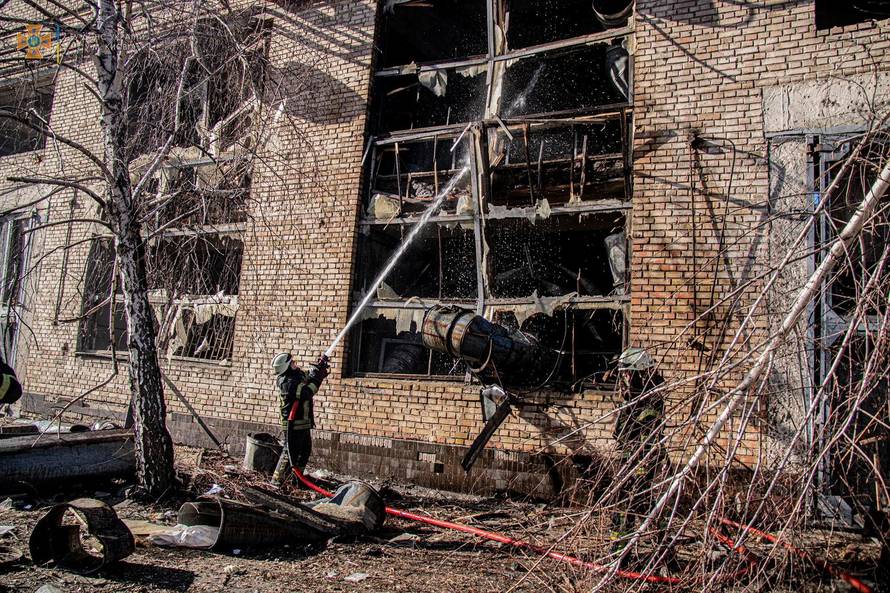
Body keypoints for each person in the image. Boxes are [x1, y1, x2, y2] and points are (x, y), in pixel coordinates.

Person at [609, 347, 666, 553]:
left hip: (639, 461)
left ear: (637, 373)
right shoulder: (639, 396)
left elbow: (637, 437)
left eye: (626, 372)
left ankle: (619, 555)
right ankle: (663, 550)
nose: (623, 377)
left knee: (625, 507)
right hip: (634, 459)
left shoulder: (647, 401)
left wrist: (638, 473)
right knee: (646, 506)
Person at [270, 352, 329, 487]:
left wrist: (317, 369)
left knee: (305, 450)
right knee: (289, 452)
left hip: (303, 422)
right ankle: (277, 481)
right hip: (293, 424)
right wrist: (318, 379)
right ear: (286, 367)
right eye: (292, 362)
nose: (295, 364)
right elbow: (307, 392)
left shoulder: (296, 376)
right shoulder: (287, 383)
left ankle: (297, 479)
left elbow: (307, 376)